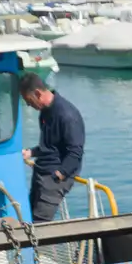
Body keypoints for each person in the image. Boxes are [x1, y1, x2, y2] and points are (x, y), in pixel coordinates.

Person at [19, 74, 84, 223]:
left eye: (28, 101)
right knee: (29, 218)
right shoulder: (45, 112)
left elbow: (75, 151)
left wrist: (59, 175)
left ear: (37, 93)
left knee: (40, 223)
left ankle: (37, 246)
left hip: (53, 178)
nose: (28, 105)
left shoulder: (67, 115)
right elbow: (51, 145)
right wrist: (32, 152)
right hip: (41, 173)